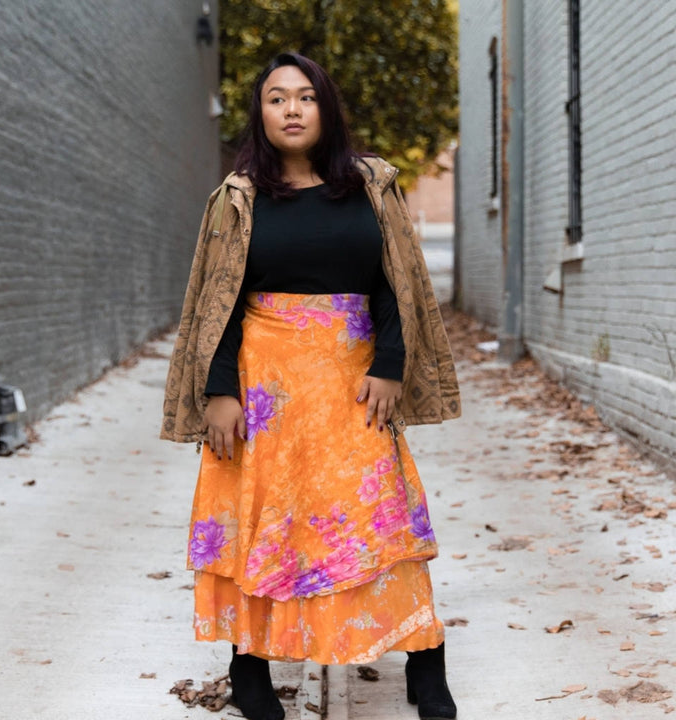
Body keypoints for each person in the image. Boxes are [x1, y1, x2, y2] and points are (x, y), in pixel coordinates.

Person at [161, 52, 461, 720]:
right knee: (262, 525)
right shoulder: (237, 197)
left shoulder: (372, 185)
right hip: (262, 388)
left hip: (354, 384)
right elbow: (216, 304)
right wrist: (217, 391)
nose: (291, 109)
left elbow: (399, 282)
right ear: (259, 114)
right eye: (276, 98)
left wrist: (389, 363)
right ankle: (250, 670)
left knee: (380, 519)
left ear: (326, 108)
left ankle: (425, 659)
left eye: (305, 97)